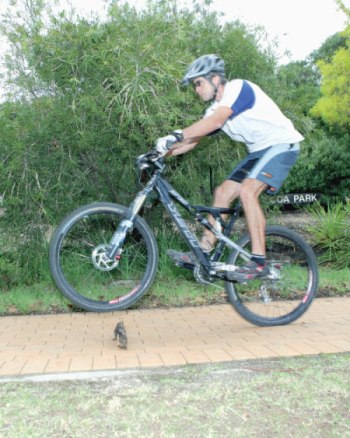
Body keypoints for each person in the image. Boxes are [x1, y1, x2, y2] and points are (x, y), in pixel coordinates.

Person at [153, 54, 303, 280]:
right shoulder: (213, 110)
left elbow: (214, 122)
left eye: (198, 83)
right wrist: (160, 152)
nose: (197, 89)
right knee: (222, 192)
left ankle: (259, 262)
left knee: (246, 190)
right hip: (259, 151)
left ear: (215, 79)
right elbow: (191, 143)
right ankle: (203, 251)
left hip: (282, 144)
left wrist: (177, 134)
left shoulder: (238, 88)